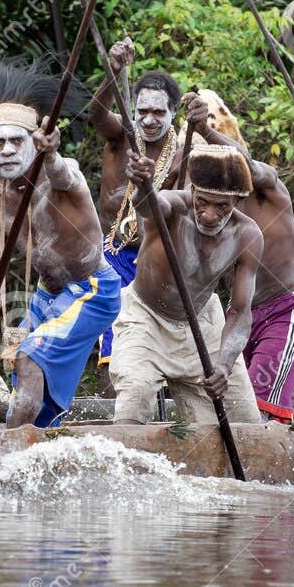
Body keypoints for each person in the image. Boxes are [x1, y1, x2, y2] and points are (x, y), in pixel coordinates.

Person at [0, 55, 120, 428]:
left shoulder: (63, 175)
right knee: (22, 370)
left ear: (34, 141)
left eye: (17, 140)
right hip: (46, 296)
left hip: (94, 290)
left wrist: (52, 153)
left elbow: (63, 174)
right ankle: (38, 441)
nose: (7, 150)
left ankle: (6, 458)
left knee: (29, 355)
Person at [109, 142, 265, 426]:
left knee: (245, 423)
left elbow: (241, 311)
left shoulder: (247, 235)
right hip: (145, 319)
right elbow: (149, 205)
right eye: (202, 201)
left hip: (203, 322)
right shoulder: (173, 207)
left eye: (221, 206)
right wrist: (143, 186)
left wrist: (224, 365)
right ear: (192, 191)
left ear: (238, 202)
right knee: (135, 396)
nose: (208, 214)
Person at [185, 90, 294, 423]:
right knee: (230, 403)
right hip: (239, 312)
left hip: (285, 307)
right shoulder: (203, 205)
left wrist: (205, 131)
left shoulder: (264, 182)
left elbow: (243, 163)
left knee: (260, 407)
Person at [90, 38, 185, 388]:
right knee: (114, 349)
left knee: (153, 350)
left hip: (156, 262)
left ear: (173, 112)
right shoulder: (121, 137)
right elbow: (96, 114)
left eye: (158, 112)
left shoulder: (182, 154)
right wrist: (113, 72)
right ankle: (119, 419)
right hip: (113, 256)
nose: (148, 119)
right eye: (142, 110)